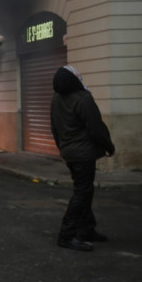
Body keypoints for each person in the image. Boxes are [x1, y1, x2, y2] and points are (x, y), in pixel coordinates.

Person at [50, 65, 115, 251]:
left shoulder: (56, 99)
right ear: (74, 79)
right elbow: (95, 127)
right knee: (82, 192)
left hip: (70, 152)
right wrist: (108, 146)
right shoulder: (83, 98)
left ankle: (86, 229)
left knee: (84, 190)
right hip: (83, 153)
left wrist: (62, 148)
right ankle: (66, 235)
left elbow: (54, 127)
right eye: (79, 76)